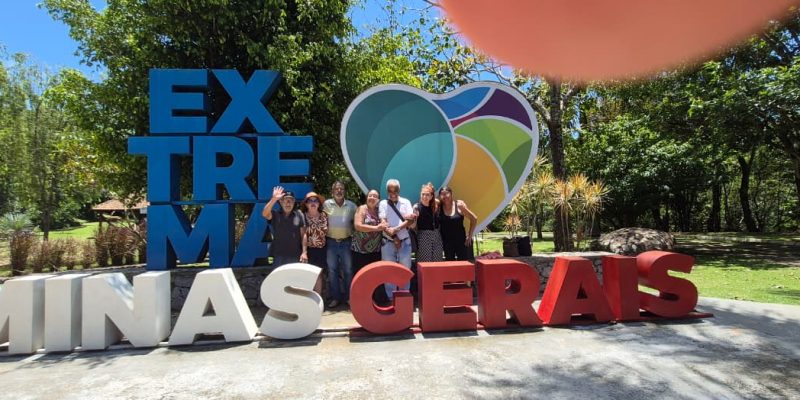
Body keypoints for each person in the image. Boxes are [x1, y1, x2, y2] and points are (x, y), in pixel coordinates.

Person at [322, 181, 357, 309]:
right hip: (331, 242)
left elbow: (356, 223)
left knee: (348, 270)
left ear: (344, 191)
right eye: (336, 189)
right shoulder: (326, 204)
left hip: (346, 242)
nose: (339, 191)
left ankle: (348, 297)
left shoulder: (352, 206)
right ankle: (335, 298)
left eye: (341, 189)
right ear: (332, 191)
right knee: (332, 271)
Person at [378, 179, 414, 301]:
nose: (393, 193)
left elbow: (410, 220)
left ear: (399, 190)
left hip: (405, 241)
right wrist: (394, 238)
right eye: (390, 190)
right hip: (388, 242)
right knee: (389, 271)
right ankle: (390, 299)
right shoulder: (383, 203)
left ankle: (404, 299)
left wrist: (397, 230)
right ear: (387, 191)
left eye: (395, 190)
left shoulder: (406, 202)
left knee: (405, 271)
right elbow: (383, 222)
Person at [262, 186, 307, 267]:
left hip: (295, 256)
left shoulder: (299, 215)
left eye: (290, 200)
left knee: (294, 279)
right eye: (285, 200)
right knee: (279, 279)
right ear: (281, 202)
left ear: (294, 202)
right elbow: (264, 214)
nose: (288, 203)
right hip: (278, 256)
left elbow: (303, 235)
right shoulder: (275, 215)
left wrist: (304, 252)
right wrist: (273, 199)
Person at [438, 186, 478, 261]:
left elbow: (474, 219)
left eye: (446, 193)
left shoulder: (459, 206)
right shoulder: (439, 207)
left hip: (461, 241)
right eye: (442, 194)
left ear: (451, 194)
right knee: (451, 266)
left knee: (464, 266)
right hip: (447, 243)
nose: (445, 196)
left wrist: (470, 235)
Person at [301, 191, 328, 295]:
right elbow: (303, 235)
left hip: (321, 250)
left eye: (315, 200)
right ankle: (307, 300)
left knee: (318, 275)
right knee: (307, 275)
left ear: (319, 203)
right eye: (310, 201)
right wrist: (304, 252)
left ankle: (318, 300)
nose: (313, 203)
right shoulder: (303, 216)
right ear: (306, 204)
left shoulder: (324, 215)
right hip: (308, 251)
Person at [413, 183, 443, 262]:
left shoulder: (435, 205)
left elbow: (438, 201)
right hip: (423, 236)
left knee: (438, 260)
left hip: (437, 236)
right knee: (425, 262)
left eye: (427, 195)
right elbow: (413, 226)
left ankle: (436, 275)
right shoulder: (417, 207)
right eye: (423, 194)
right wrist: (414, 218)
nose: (424, 197)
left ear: (431, 196)